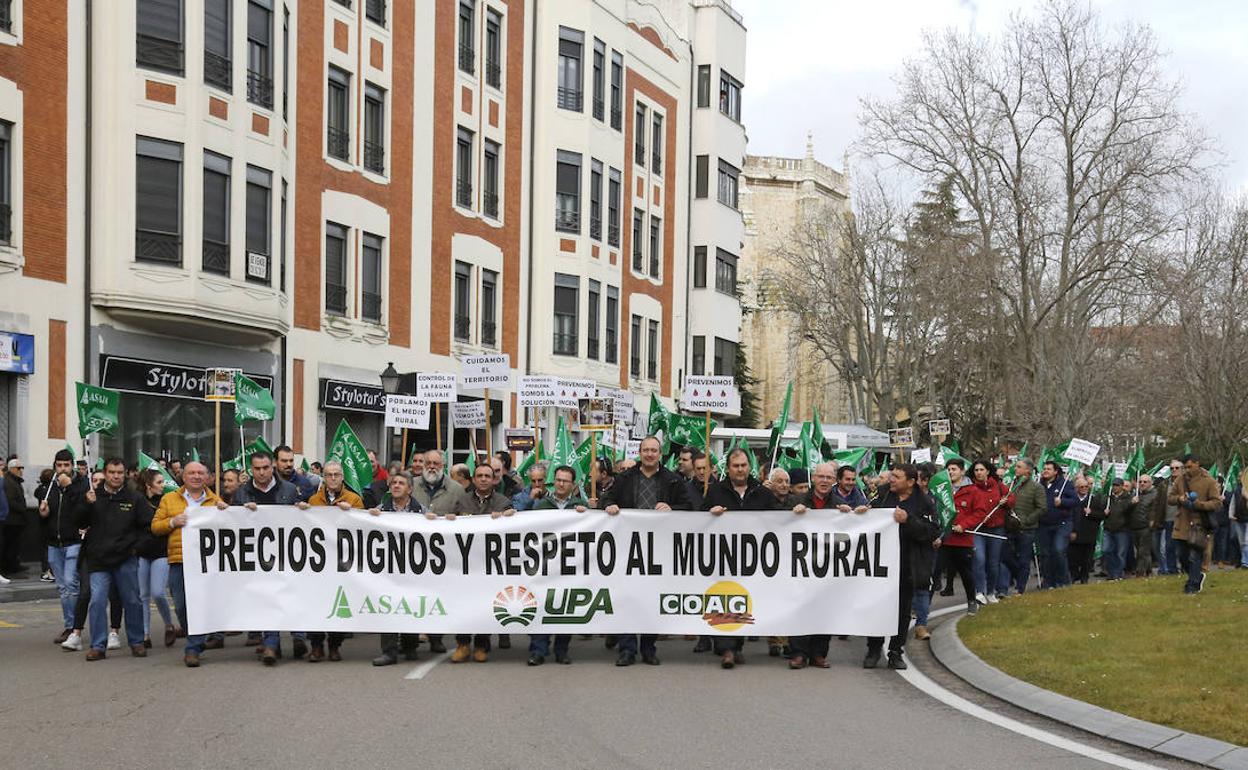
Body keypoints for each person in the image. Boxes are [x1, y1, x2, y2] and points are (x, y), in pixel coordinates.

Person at [600, 435, 690, 666]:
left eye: (654, 450)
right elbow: (606, 499)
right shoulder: (625, 478)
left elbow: (690, 506)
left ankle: (649, 648)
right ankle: (627, 649)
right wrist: (609, 505)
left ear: (660, 454)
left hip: (659, 549)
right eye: (646, 450)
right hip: (628, 548)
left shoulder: (673, 480)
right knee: (627, 598)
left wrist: (672, 507)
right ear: (639, 453)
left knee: (652, 599)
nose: (649, 454)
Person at [701, 448, 782, 669]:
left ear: (749, 467)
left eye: (743, 465)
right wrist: (709, 513)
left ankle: (737, 646)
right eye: (736, 466)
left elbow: (779, 518)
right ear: (728, 468)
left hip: (754, 560)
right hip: (723, 557)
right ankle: (727, 648)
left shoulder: (762, 493)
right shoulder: (715, 491)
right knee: (725, 598)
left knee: (745, 600)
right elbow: (698, 518)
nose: (740, 470)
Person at [227, 450, 302, 664]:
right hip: (257, 556)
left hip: (286, 554)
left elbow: (301, 521)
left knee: (289, 595)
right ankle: (271, 644)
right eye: (257, 469)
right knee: (267, 597)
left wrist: (302, 508)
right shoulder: (242, 493)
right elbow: (231, 524)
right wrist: (239, 512)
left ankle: (298, 637)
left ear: (273, 467)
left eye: (265, 468)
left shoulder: (289, 490)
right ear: (251, 469)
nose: (261, 472)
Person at [865, 465, 939, 670]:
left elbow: (932, 531)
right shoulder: (882, 496)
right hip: (881, 563)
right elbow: (869, 517)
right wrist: (863, 513)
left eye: (897, 477)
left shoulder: (924, 503)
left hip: (908, 563)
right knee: (877, 607)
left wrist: (908, 520)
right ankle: (873, 649)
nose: (892, 479)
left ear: (911, 482)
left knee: (903, 610)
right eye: (892, 475)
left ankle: (896, 651)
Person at [77, 459, 152, 660]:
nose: (116, 476)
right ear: (105, 473)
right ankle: (98, 645)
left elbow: (148, 526)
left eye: (119, 472)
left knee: (132, 600)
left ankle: (136, 641)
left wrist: (136, 548)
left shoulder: (134, 498)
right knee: (97, 601)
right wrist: (86, 504)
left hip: (125, 557)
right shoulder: (93, 495)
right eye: (112, 472)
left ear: (125, 474)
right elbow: (79, 522)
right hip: (98, 559)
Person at [151, 461, 221, 666]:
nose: (196, 476)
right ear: (183, 476)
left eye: (200, 473)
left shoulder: (215, 500)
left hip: (206, 561)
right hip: (179, 560)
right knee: (181, 605)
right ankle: (194, 636)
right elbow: (155, 527)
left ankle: (193, 647)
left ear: (207, 477)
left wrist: (225, 512)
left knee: (201, 603)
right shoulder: (169, 499)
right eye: (192, 473)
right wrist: (172, 522)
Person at [445, 465, 515, 663]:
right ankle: (462, 644)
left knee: (486, 603)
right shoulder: (462, 500)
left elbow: (514, 527)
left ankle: (482, 645)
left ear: (494, 480)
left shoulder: (502, 502)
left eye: (487, 476)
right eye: (480, 476)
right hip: (465, 563)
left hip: (490, 565)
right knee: (464, 603)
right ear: (474, 479)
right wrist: (448, 520)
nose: (483, 479)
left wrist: (508, 516)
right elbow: (449, 526)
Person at [298, 460, 364, 662]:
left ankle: (335, 645)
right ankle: (316, 646)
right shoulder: (314, 500)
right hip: (319, 562)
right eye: (329, 475)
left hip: (342, 561)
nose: (333, 478)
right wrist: (302, 511)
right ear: (324, 478)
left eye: (336, 474)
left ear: (342, 477)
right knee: (316, 603)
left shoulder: (354, 499)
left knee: (339, 603)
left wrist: (352, 513)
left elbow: (364, 527)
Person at [788, 462, 853, 669]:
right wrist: (791, 513)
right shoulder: (797, 500)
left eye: (829, 478)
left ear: (834, 481)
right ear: (813, 478)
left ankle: (818, 653)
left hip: (827, 567)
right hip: (801, 565)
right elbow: (778, 522)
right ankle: (798, 653)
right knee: (800, 608)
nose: (824, 481)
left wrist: (850, 515)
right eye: (821, 477)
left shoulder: (839, 505)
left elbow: (852, 531)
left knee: (824, 609)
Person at [527, 465, 588, 666]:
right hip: (545, 564)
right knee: (540, 605)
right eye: (558, 480)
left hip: (570, 564)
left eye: (565, 481)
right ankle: (538, 650)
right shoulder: (542, 505)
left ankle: (562, 650)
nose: (561, 484)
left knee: (565, 607)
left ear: (573, 484)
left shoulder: (580, 506)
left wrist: (587, 514)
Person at [367, 471, 428, 666]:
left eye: (401, 483)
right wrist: (370, 518)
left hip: (412, 566)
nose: (396, 486)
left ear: (410, 489)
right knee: (388, 606)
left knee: (410, 604)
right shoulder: (380, 510)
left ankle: (410, 646)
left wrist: (438, 521)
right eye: (393, 482)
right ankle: (389, 652)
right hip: (388, 568)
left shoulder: (422, 511)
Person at [37, 449, 88, 645]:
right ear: (55, 466)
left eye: (66, 465)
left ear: (72, 466)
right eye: (59, 465)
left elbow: (83, 509)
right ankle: (70, 625)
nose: (63, 469)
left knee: (70, 583)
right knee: (62, 587)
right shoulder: (50, 486)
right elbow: (46, 515)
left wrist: (70, 487)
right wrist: (43, 513)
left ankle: (74, 628)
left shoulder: (81, 484)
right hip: (54, 543)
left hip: (73, 540)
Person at [1168, 454, 1221, 594]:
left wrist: (1199, 504)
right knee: (1182, 556)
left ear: (1198, 463)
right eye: (1185, 467)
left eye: (1189, 467)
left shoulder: (1209, 481)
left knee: (1194, 556)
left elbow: (1217, 503)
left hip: (1199, 525)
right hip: (1181, 523)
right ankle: (1197, 576)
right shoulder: (1180, 479)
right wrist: (1179, 499)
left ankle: (1192, 586)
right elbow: (1170, 498)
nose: (1187, 470)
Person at [135, 469, 177, 648]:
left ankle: (169, 625)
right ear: (148, 485)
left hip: (160, 551)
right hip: (141, 552)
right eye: (159, 482)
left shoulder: (165, 501)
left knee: (158, 592)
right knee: (142, 595)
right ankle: (145, 634)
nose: (163, 485)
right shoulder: (137, 501)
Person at [967, 460, 1013, 605]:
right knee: (979, 559)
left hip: (996, 529)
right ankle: (979, 591)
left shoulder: (998, 485)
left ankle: (991, 591)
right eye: (976, 470)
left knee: (994, 562)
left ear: (987, 471)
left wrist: (1005, 501)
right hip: (978, 529)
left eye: (981, 470)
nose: (978, 473)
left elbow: (1011, 499)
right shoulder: (970, 487)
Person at [1000, 458, 1043, 596]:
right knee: (1006, 557)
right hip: (1009, 527)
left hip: (1027, 529)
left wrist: (1027, 521)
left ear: (1027, 470)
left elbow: (1042, 508)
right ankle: (1004, 588)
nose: (1015, 469)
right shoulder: (1010, 485)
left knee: (1024, 559)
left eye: (1019, 467)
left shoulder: (1036, 487)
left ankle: (1020, 588)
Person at [1036, 461, 1079, 589]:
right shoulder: (1039, 485)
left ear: (1055, 471)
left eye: (1049, 469)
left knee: (1058, 550)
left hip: (1062, 523)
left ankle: (1063, 580)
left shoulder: (1065, 484)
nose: (1045, 471)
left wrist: (1062, 502)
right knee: (1045, 554)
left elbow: (1075, 501)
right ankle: (1048, 582)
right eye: (1044, 468)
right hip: (1044, 525)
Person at [1069, 477, 1103, 584]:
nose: (1084, 488)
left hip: (1089, 534)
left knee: (1087, 558)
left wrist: (1091, 512)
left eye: (1086, 486)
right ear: (1076, 488)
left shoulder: (1094, 500)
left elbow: (1101, 515)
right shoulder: (1072, 500)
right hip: (1075, 533)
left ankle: (1084, 577)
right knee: (1073, 557)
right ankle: (1074, 575)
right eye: (1081, 487)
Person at [1100, 478, 1135, 580]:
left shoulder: (1128, 498)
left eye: (1117, 485)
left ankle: (1118, 574)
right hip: (1108, 528)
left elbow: (1126, 510)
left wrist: (1132, 504)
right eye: (1114, 485)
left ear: (1122, 486)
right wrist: (1104, 511)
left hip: (1122, 529)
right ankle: (1111, 573)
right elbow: (1100, 509)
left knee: (1120, 553)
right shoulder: (1108, 498)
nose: (1115, 487)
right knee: (1106, 550)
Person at [1152, 460, 1183, 574]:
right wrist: (1154, 518)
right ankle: (1172, 569)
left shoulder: (1187, 483)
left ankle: (1185, 567)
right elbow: (1157, 502)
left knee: (1183, 547)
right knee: (1169, 546)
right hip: (1168, 519)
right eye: (1172, 468)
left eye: (1177, 468)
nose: (1174, 470)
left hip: (1183, 519)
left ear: (1182, 469)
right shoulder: (1164, 484)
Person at [2, 457, 29, 580]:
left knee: (14, 545)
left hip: (16, 520)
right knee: (10, 545)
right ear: (12, 469)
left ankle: (13, 565)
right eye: (19, 468)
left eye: (21, 468)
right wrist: (22, 509)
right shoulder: (9, 482)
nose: (21, 470)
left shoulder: (14, 481)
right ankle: (9, 568)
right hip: (12, 520)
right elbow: (11, 501)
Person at [1131, 475, 1158, 577]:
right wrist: (1132, 502)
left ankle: (1140, 573)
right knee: (1140, 550)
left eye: (1145, 482)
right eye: (1140, 481)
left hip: (1146, 526)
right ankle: (1148, 570)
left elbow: (1155, 509)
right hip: (1135, 526)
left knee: (1143, 551)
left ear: (1150, 483)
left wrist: (1152, 520)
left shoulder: (1155, 495)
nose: (1142, 484)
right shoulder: (1136, 494)